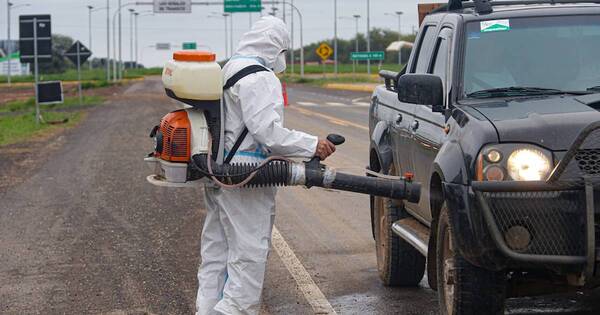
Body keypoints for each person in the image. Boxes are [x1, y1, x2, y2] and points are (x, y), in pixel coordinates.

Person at [196, 16, 336, 315]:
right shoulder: (260, 77)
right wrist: (313, 145)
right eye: (283, 51)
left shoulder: (228, 68)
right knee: (248, 254)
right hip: (247, 175)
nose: (282, 59)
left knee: (216, 254)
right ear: (275, 47)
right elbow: (267, 133)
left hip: (217, 169)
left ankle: (206, 310)